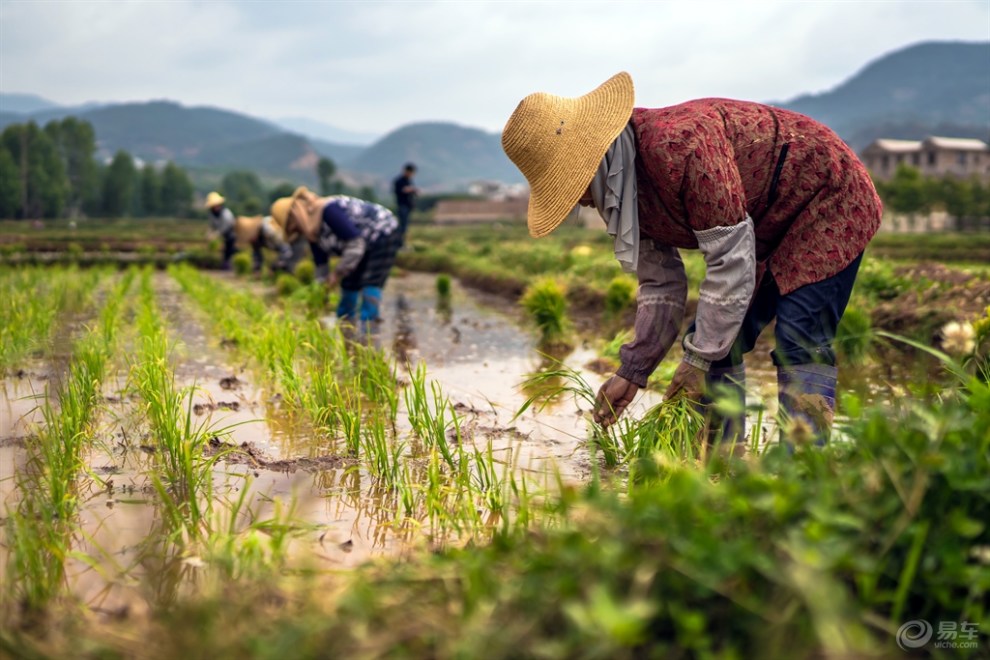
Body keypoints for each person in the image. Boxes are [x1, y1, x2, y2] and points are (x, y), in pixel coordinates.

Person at [501, 72, 882, 447]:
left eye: (573, 184)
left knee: (799, 336)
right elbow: (661, 283)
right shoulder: (621, 192)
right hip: (764, 225)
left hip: (827, 198)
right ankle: (719, 460)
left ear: (596, 160)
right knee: (713, 339)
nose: (580, 200)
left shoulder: (680, 146)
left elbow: (730, 261)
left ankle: (805, 467)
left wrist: (696, 363)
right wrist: (633, 372)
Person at [271, 186, 402, 337]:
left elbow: (356, 244)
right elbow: (321, 265)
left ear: (297, 215)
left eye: (293, 227)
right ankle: (346, 326)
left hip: (382, 232)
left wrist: (336, 273)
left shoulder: (328, 210)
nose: (297, 232)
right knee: (349, 283)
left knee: (370, 281)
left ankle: (370, 330)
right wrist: (321, 291)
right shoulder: (312, 232)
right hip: (360, 245)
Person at [205, 191, 237, 270]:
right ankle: (225, 262)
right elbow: (212, 225)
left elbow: (226, 227)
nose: (216, 207)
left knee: (230, 243)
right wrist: (209, 233)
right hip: (221, 233)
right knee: (224, 249)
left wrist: (216, 234)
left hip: (229, 233)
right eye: (213, 206)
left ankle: (228, 263)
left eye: (216, 205)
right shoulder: (212, 214)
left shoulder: (226, 214)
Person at [392, 162, 419, 242]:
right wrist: (408, 190)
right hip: (402, 205)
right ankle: (399, 243)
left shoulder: (409, 181)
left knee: (405, 226)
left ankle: (402, 242)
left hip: (408, 205)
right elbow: (399, 191)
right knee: (402, 226)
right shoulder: (399, 181)